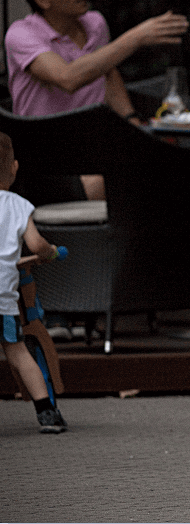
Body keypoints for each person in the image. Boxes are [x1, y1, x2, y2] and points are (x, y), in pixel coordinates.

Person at [4, 0, 189, 200]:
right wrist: (135, 38)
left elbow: (106, 72)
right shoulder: (21, 34)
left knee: (170, 163)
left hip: (95, 149)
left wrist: (133, 123)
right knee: (145, 177)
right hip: (48, 164)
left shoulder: (94, 24)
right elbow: (68, 78)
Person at [0, 132, 68, 433]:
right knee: (16, 351)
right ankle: (47, 412)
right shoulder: (17, 205)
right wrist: (49, 252)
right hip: (4, 299)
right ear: (14, 168)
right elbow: (36, 244)